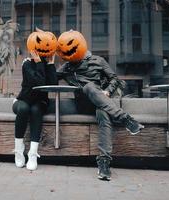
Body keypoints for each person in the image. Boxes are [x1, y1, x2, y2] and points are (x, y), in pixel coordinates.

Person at [57, 40, 144, 181]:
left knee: (103, 113)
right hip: (83, 104)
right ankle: (125, 119)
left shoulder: (98, 60)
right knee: (89, 87)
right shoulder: (67, 67)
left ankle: (104, 163)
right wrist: (47, 63)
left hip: (101, 102)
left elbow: (114, 78)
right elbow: (50, 78)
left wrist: (108, 92)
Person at [13, 50, 57, 171]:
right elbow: (37, 82)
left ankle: (33, 154)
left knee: (36, 110)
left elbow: (53, 85)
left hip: (40, 103)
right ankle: (18, 149)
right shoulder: (27, 64)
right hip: (23, 100)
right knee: (24, 108)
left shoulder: (47, 65)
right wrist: (38, 63)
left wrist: (51, 64)